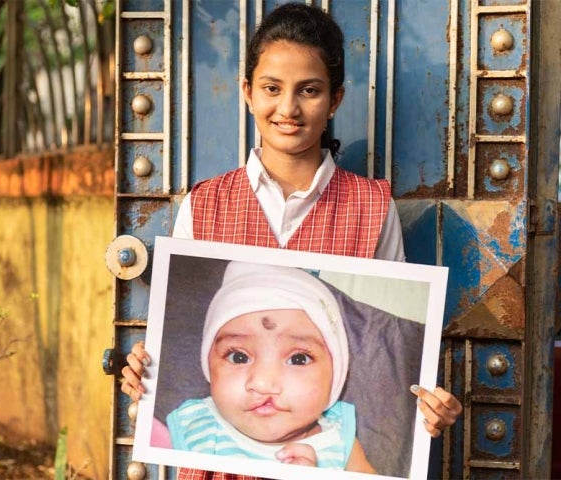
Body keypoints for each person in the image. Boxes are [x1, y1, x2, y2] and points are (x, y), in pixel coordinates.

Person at [121, 3, 462, 479]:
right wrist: (144, 375)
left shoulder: (370, 207)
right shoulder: (205, 204)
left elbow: (405, 377)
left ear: (335, 98)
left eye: (309, 90)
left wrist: (428, 408)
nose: (288, 109)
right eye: (271, 89)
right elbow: (156, 377)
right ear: (247, 92)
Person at [163, 261, 373, 472]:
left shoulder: (339, 439)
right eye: (238, 357)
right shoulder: (194, 426)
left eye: (298, 359)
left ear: (335, 375)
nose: (263, 383)